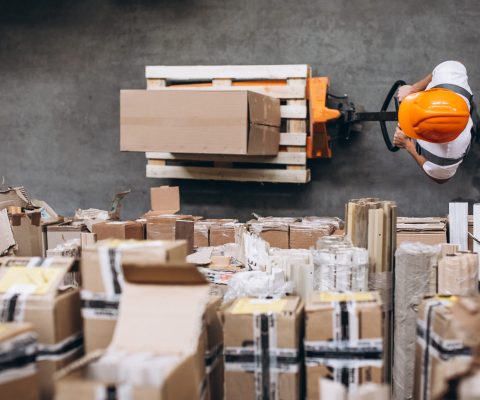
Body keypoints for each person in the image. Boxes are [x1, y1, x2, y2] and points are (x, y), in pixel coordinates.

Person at [393, 61, 476, 183]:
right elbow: (445, 67)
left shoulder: (447, 154)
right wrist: (412, 89)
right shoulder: (450, 77)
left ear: (432, 139)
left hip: (465, 140)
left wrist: (409, 146)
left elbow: (441, 179)